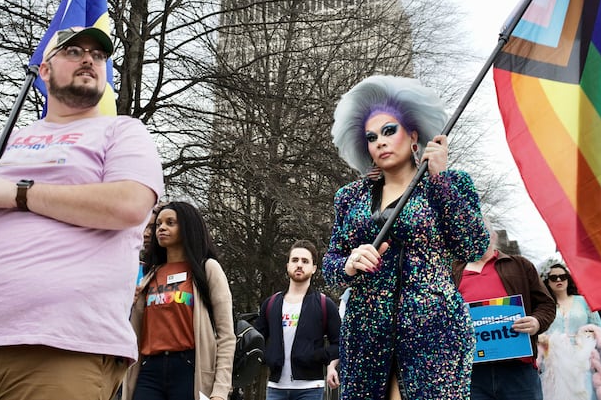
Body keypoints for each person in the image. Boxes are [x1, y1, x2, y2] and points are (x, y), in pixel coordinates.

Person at [0, 26, 164, 400]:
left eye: (98, 56)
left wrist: (20, 194)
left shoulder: (123, 132)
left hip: (66, 344)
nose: (88, 59)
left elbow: (129, 204)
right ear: (44, 71)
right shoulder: (3, 142)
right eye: (73, 52)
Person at [321, 75, 489, 400]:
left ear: (413, 135)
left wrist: (439, 180)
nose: (380, 142)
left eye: (388, 131)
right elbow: (330, 266)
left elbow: (473, 244)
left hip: (433, 332)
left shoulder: (450, 183)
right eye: (371, 137)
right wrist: (350, 264)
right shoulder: (349, 197)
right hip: (366, 337)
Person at [122, 201, 235, 400]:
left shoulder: (207, 269)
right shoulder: (149, 274)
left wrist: (220, 390)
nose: (161, 228)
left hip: (189, 369)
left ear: (187, 227)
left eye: (170, 223)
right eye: (158, 224)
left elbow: (226, 336)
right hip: (149, 370)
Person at [453, 217, 556, 400]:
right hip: (471, 373)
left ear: (493, 236)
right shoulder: (451, 272)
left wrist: (537, 321)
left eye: (481, 230)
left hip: (518, 371)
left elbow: (546, 304)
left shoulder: (520, 265)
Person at [254, 240, 341, 400]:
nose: (299, 264)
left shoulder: (324, 304)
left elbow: (340, 342)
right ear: (287, 265)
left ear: (314, 268)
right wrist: (269, 358)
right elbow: (256, 340)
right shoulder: (271, 304)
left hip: (310, 389)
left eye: (305, 261)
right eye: (295, 260)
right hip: (275, 388)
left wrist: (324, 359)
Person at [538, 261, 601, 400]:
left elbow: (598, 328)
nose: (559, 280)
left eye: (563, 276)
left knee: (585, 392)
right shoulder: (544, 306)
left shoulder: (583, 301)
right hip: (554, 360)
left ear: (568, 278)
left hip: (583, 358)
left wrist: (588, 334)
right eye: (553, 278)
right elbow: (539, 330)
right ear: (547, 282)